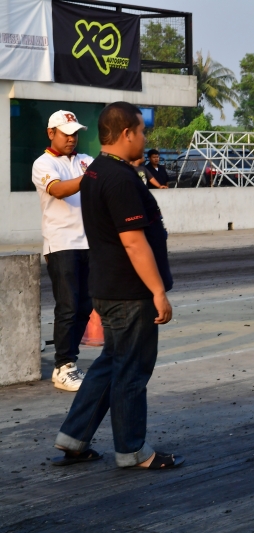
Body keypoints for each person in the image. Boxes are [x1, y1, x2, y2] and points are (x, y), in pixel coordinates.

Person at [52, 102, 183, 469]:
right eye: (141, 131)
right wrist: (158, 291)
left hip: (107, 286)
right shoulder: (120, 178)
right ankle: (132, 451)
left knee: (111, 363)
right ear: (126, 133)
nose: (144, 138)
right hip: (130, 292)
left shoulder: (95, 172)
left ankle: (73, 437)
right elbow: (133, 241)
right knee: (131, 370)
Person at [32, 110, 95, 392]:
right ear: (51, 133)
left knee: (85, 305)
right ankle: (62, 366)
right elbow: (58, 190)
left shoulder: (86, 161)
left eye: (75, 133)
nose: (71, 138)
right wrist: (92, 179)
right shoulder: (43, 163)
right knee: (68, 307)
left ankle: (71, 362)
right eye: (65, 133)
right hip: (61, 244)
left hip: (89, 243)